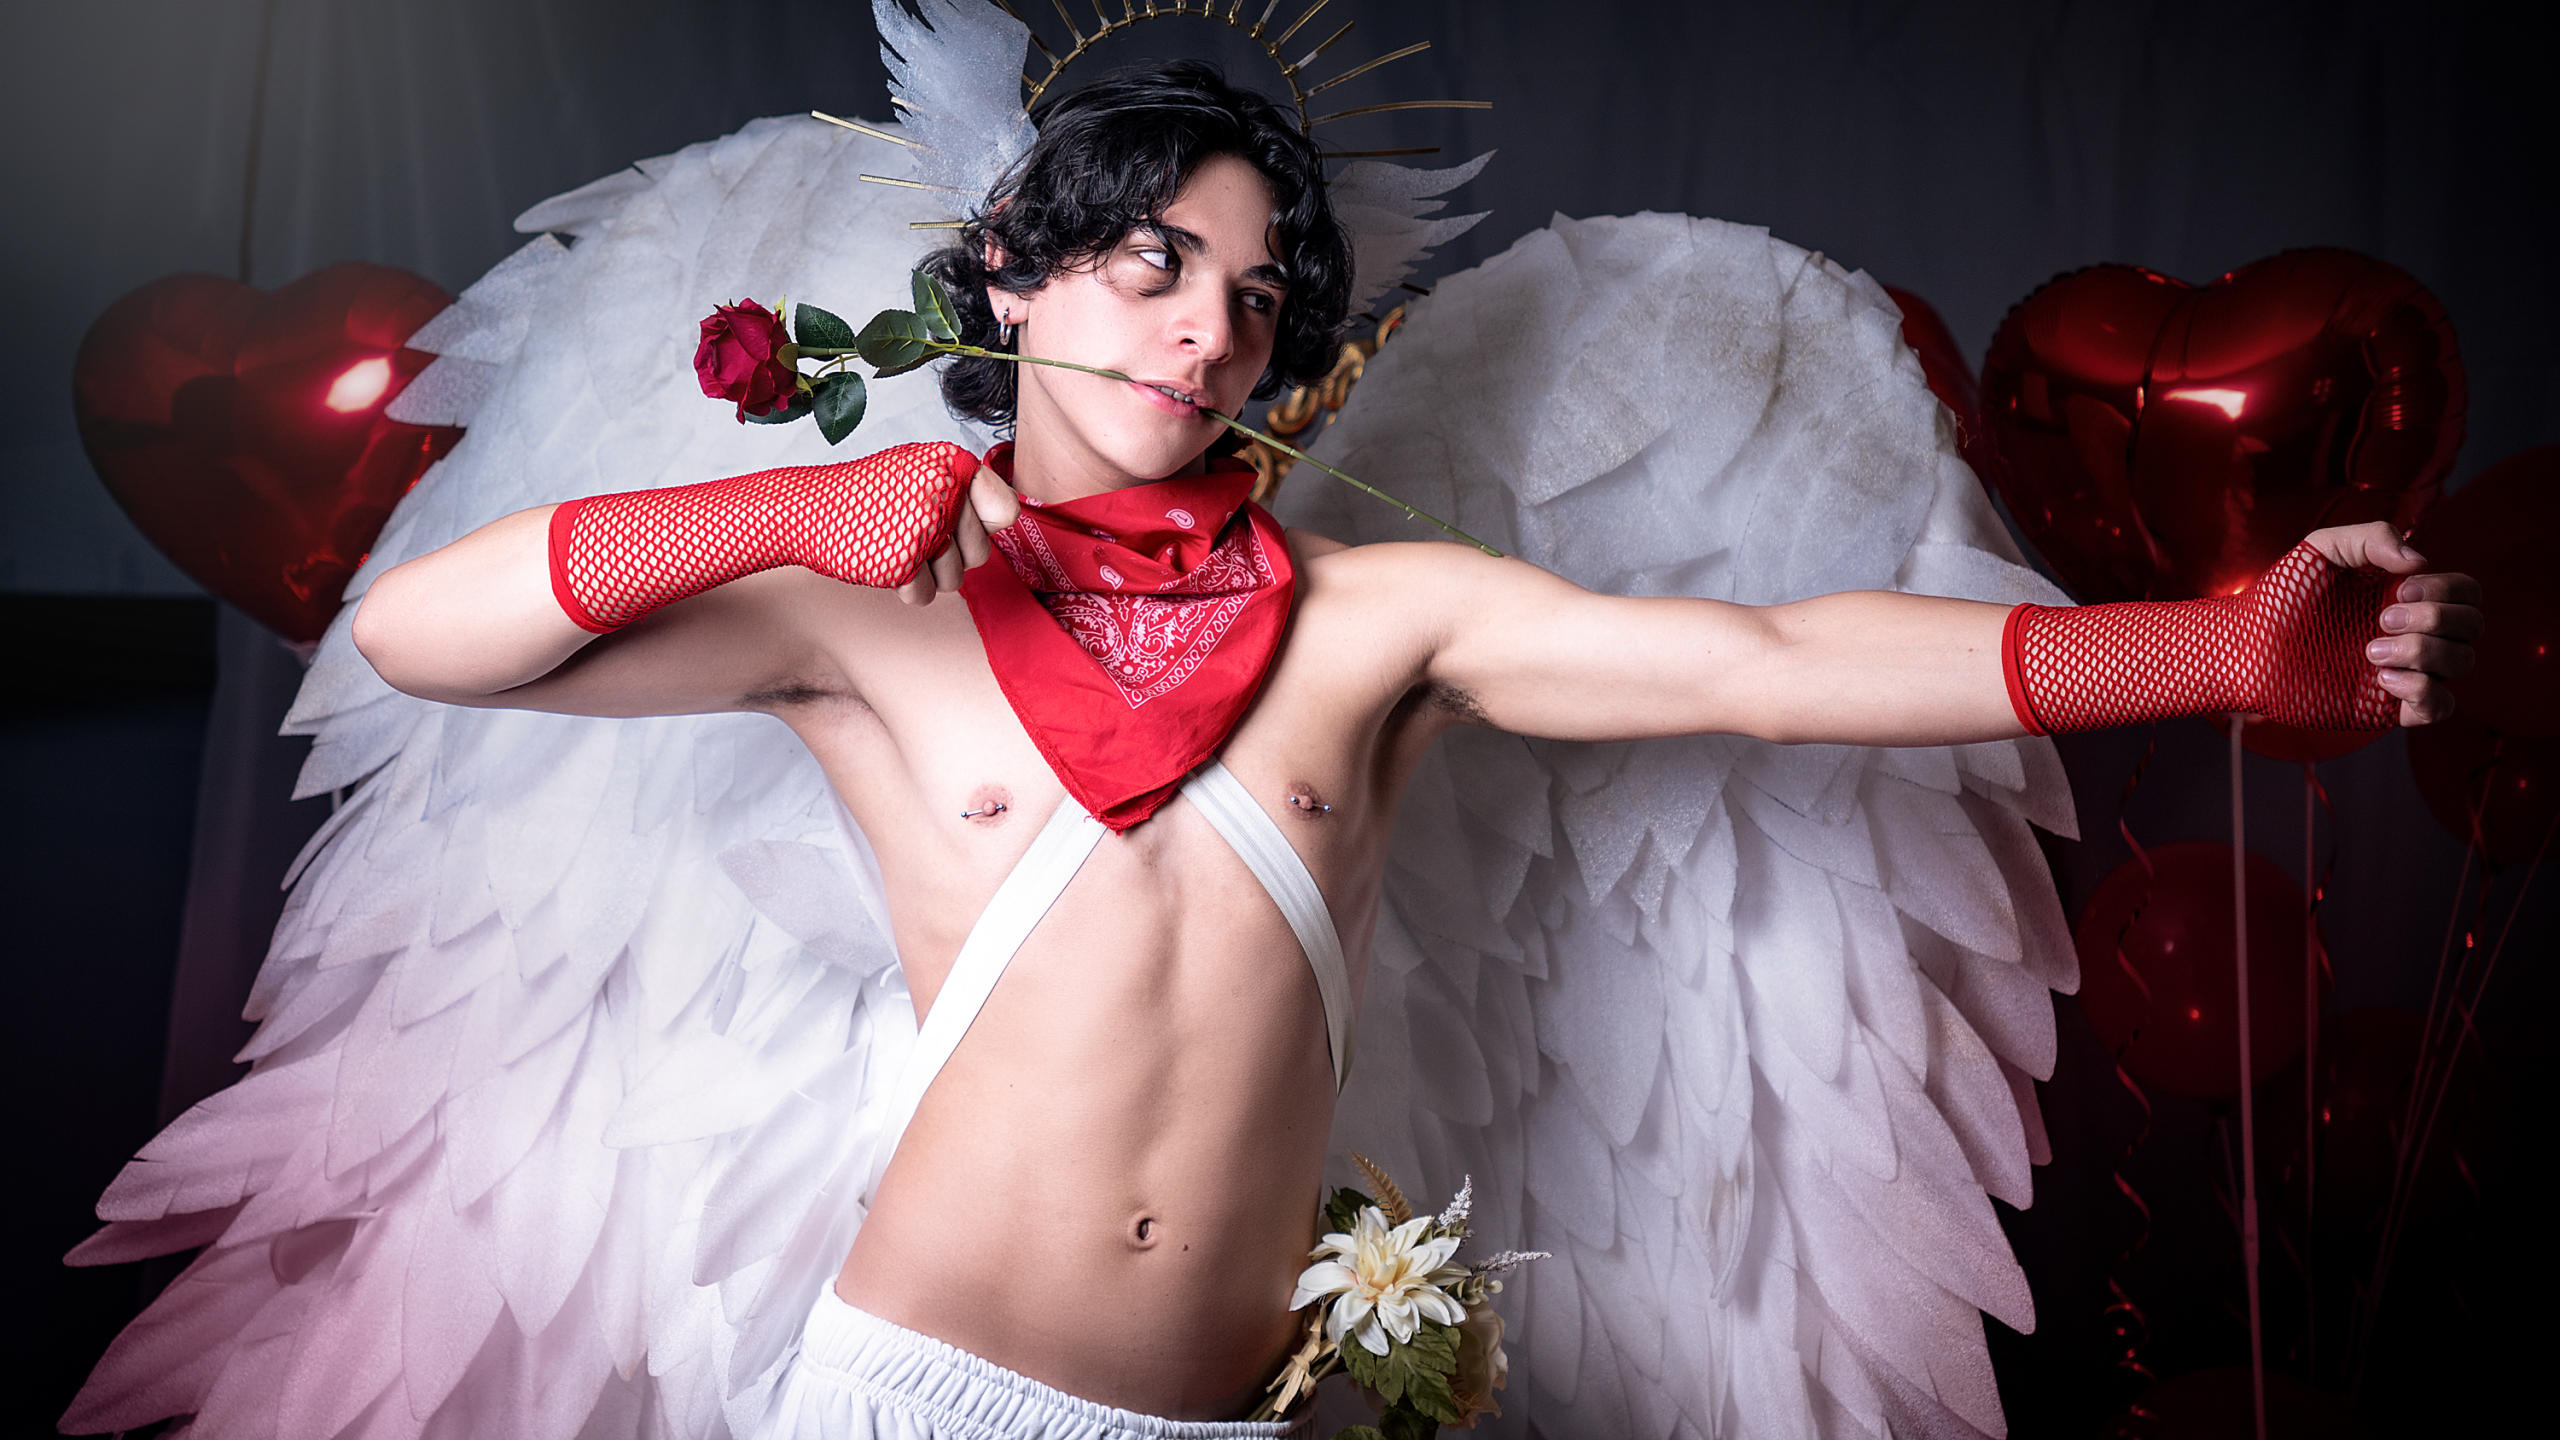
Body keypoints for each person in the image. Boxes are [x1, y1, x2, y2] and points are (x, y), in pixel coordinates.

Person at [333, 57, 2478, 1440]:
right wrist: (765, 516)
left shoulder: (1373, 622)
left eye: (1258, 297)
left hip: (1224, 1415)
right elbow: (417, 633)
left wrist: (2212, 648)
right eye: (1154, 264)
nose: (1207, 330)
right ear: (1009, 279)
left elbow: (1765, 656)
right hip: (914, 1398)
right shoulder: (869, 617)